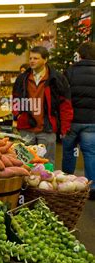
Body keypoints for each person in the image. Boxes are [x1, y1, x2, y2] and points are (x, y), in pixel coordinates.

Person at [12, 46, 73, 164]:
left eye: (36, 58)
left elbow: (65, 105)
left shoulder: (57, 79)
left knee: (47, 164)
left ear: (45, 60)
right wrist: (17, 115)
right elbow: (15, 99)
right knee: (23, 163)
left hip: (47, 129)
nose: (32, 61)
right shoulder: (22, 78)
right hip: (26, 129)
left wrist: (64, 128)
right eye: (30, 58)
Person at [62, 42, 95, 199]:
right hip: (91, 121)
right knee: (90, 153)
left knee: (69, 151)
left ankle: (66, 184)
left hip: (72, 121)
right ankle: (92, 187)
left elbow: (64, 96)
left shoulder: (70, 71)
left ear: (79, 55)